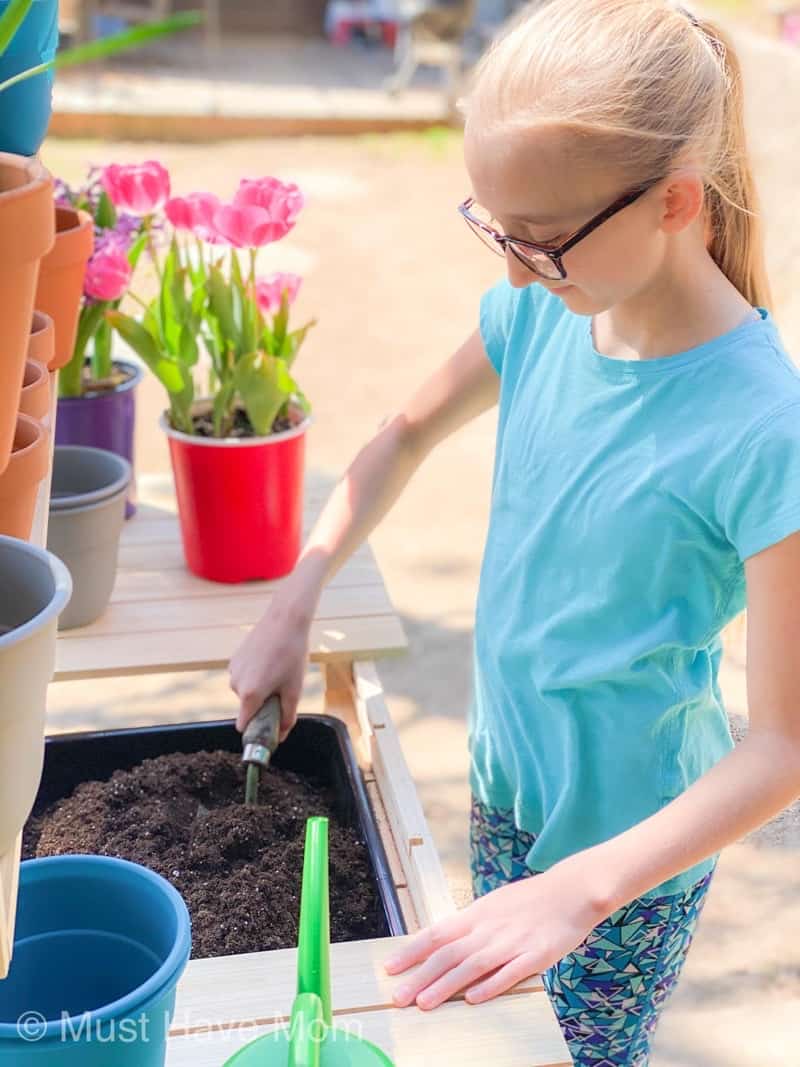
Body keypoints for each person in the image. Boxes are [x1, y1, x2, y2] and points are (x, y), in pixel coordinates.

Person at [229, 0, 800, 1061]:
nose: (510, 269)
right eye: (496, 228)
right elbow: (399, 436)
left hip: (625, 853)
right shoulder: (547, 308)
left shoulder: (764, 428)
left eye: (538, 243)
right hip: (507, 793)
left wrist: (581, 889)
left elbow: (780, 746)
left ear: (673, 202)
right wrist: (294, 596)